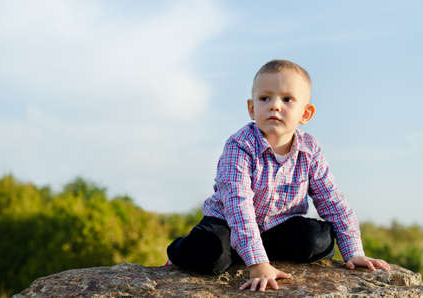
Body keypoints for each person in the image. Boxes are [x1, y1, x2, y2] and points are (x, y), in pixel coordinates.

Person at [166, 59, 390, 292]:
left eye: (286, 99)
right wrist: (258, 263)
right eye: (265, 98)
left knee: (318, 240)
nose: (274, 105)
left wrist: (354, 252)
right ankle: (179, 251)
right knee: (211, 256)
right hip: (228, 223)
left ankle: (252, 251)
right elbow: (238, 206)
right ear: (252, 108)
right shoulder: (239, 146)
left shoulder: (310, 150)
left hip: (277, 226)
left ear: (306, 113)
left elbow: (332, 200)